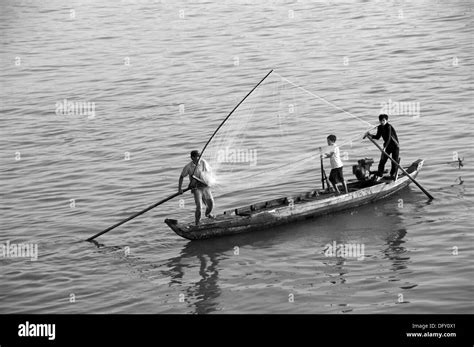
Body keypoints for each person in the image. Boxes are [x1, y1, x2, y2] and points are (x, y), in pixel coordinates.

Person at [178, 150, 215, 225]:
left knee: (211, 203)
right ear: (192, 158)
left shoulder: (203, 162)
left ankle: (208, 214)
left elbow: (209, 172)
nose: (199, 158)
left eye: (200, 156)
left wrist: (209, 181)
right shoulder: (188, 167)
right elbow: (181, 177)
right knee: (199, 207)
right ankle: (197, 223)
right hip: (196, 188)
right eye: (197, 156)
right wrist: (180, 189)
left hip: (204, 186)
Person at [365, 114, 400, 180]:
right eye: (380, 121)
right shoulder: (380, 127)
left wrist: (384, 147)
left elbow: (389, 138)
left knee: (394, 162)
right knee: (382, 161)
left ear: (386, 120)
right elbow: (377, 137)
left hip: (395, 146)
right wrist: (370, 135)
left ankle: (392, 175)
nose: (382, 122)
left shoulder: (388, 127)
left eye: (383, 120)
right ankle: (380, 174)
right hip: (387, 146)